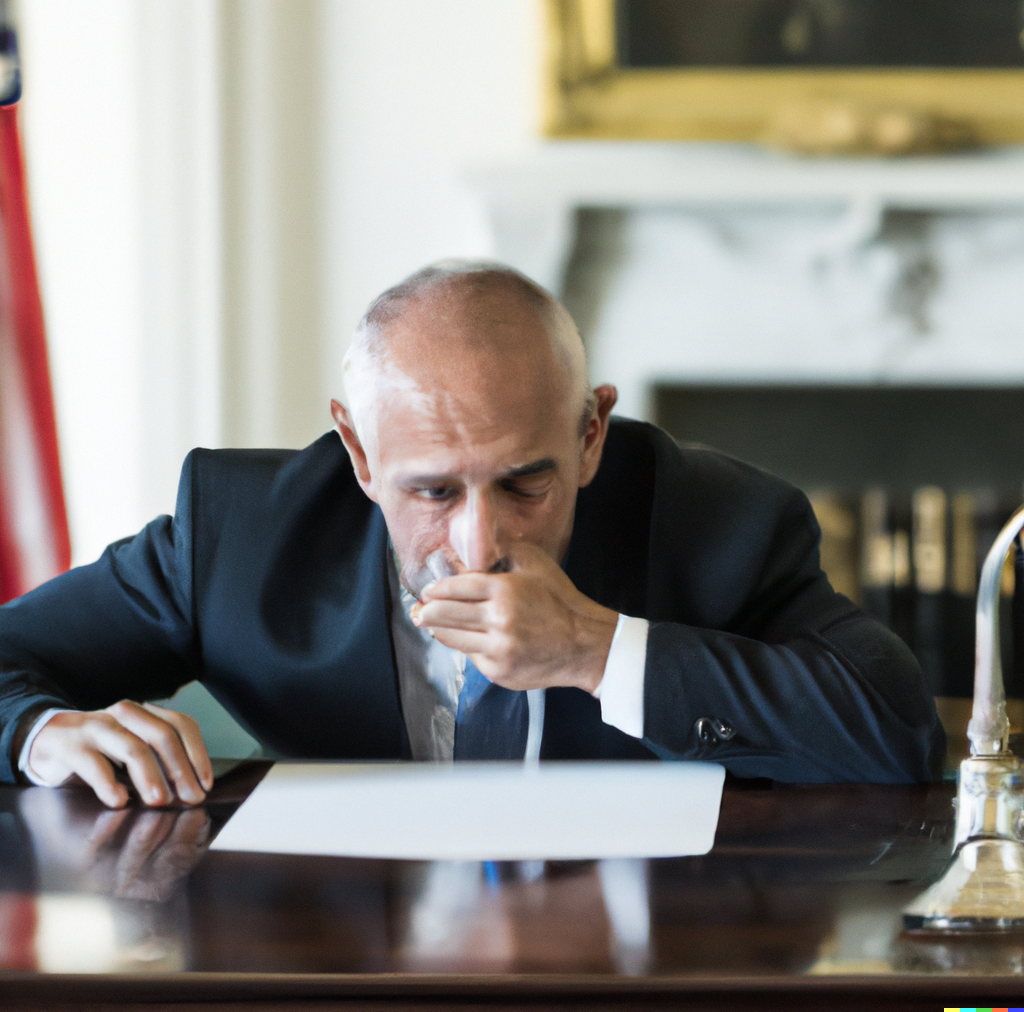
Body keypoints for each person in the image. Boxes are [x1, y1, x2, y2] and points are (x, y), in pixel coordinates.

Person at [0, 262, 944, 808]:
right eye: (433, 490)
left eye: (526, 481)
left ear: (590, 433)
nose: (481, 542)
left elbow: (897, 731)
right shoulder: (240, 533)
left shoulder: (718, 519)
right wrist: (40, 735)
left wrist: (597, 649)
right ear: (359, 454)